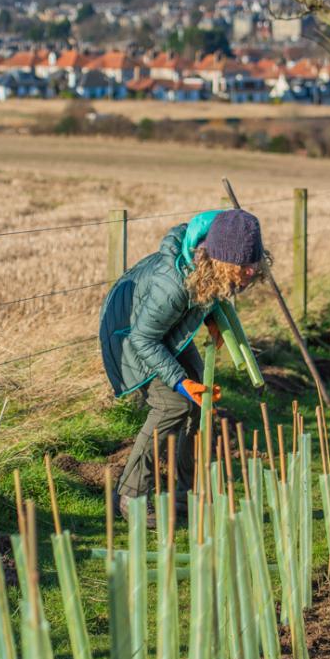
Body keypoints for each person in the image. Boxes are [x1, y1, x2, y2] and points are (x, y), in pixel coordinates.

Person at [99, 209, 269, 523]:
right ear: (220, 260)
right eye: (242, 267)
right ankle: (130, 496)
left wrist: (211, 319)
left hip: (166, 334)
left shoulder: (210, 265)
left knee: (198, 402)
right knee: (173, 404)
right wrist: (179, 381)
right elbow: (143, 338)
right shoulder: (173, 286)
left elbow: (206, 293)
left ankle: (189, 492)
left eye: (253, 263)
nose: (249, 273)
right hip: (127, 338)